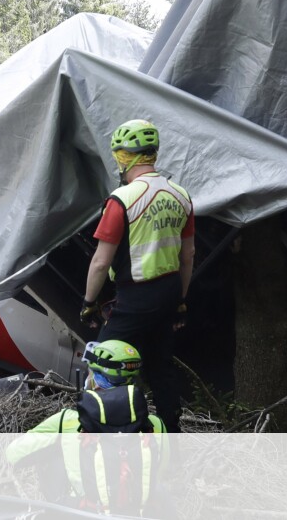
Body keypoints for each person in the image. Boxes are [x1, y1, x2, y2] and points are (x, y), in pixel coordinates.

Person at [82, 120, 195, 433]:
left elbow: (100, 263)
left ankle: (98, 430)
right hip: (170, 292)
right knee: (161, 365)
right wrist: (181, 301)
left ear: (123, 156)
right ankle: (170, 434)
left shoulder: (122, 200)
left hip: (136, 296)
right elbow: (187, 257)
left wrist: (89, 301)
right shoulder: (181, 195)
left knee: (103, 363)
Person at [6, 340, 170, 516]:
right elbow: (162, 471)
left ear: (96, 378)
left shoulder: (69, 421)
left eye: (91, 372)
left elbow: (13, 454)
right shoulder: (154, 424)